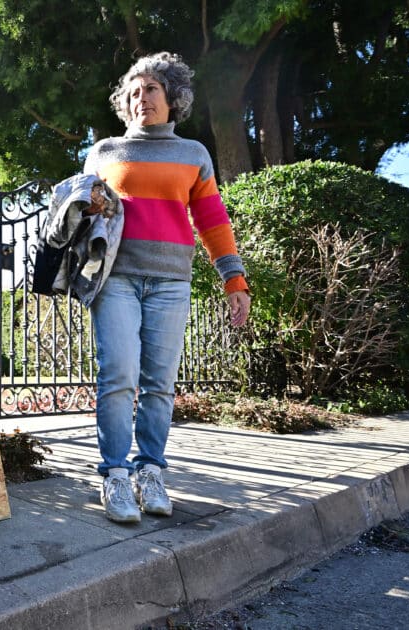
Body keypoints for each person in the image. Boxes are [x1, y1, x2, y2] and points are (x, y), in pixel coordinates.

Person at [82, 52, 251, 524]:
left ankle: (150, 470)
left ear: (172, 97)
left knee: (159, 384)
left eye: (151, 89)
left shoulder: (193, 154)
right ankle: (114, 475)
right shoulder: (104, 152)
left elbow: (212, 220)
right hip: (115, 279)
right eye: (134, 92)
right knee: (118, 375)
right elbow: (77, 210)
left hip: (172, 283)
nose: (142, 99)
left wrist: (233, 278)